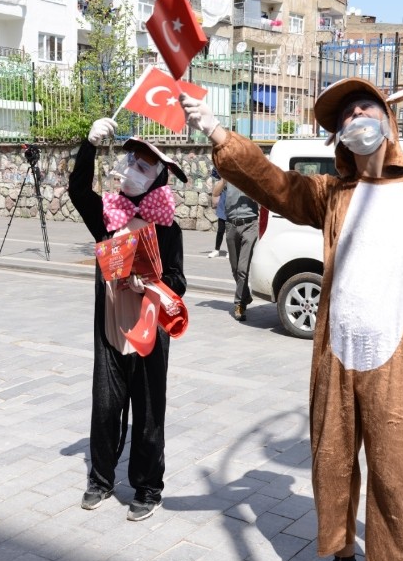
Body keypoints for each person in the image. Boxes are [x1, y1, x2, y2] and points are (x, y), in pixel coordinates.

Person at [180, 78, 403, 561]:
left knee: (397, 473)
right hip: (336, 356)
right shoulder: (331, 195)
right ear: (340, 138)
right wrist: (215, 130)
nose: (357, 119)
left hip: (398, 363)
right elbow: (272, 182)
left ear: (388, 122)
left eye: (365, 108)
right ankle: (343, 558)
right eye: (346, 117)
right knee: (331, 463)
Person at [68, 117, 188, 522]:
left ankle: (148, 487)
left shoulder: (168, 228)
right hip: (111, 326)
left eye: (143, 165)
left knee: (150, 411)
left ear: (158, 178)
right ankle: (101, 479)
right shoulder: (108, 214)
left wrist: (150, 283)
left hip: (150, 330)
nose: (132, 169)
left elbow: (179, 281)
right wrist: (88, 144)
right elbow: (75, 190)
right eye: (131, 160)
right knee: (105, 407)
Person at [213, 173, 259, 321]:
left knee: (242, 269)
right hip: (231, 224)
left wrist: (251, 193)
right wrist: (225, 178)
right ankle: (245, 295)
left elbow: (261, 199)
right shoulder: (229, 174)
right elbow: (215, 193)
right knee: (235, 268)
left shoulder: (252, 175)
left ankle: (239, 304)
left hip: (250, 225)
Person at [208, 168, 226, 258]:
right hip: (224, 201)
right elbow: (215, 171)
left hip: (233, 202)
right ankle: (216, 249)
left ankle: (231, 251)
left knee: (231, 232)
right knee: (220, 229)